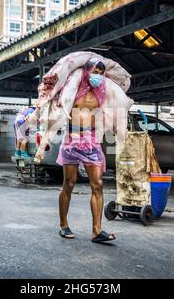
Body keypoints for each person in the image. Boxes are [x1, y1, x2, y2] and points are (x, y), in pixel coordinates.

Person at [56, 58, 116, 244]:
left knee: (97, 184)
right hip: (71, 138)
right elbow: (58, 100)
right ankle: (63, 225)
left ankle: (97, 231)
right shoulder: (73, 87)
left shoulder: (101, 91)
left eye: (100, 73)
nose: (97, 76)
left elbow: (111, 107)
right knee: (69, 183)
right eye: (94, 72)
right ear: (86, 71)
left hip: (90, 139)